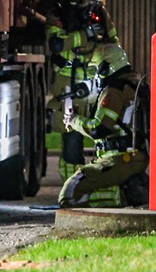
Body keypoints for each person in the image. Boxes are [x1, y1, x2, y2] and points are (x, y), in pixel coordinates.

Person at [27, 0, 122, 180]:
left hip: (97, 82)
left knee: (103, 132)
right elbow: (57, 45)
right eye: (89, 3)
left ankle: (99, 181)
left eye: (96, 4)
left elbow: (113, 42)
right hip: (69, 86)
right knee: (72, 138)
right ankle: (73, 187)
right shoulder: (59, 14)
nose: (93, 9)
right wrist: (85, 34)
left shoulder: (101, 15)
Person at [57, 42, 149, 208]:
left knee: (70, 192)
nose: (96, 75)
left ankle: (118, 200)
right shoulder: (134, 84)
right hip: (133, 157)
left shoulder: (114, 90)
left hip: (120, 159)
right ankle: (125, 194)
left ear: (107, 67)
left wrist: (73, 121)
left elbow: (98, 129)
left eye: (97, 69)